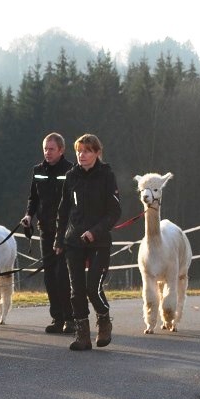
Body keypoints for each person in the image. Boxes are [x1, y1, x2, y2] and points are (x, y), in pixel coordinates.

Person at [54, 133, 121, 351]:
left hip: (99, 242)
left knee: (93, 287)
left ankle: (104, 319)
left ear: (97, 153)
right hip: (73, 241)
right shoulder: (71, 176)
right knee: (77, 290)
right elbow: (63, 210)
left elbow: (114, 212)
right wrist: (59, 239)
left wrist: (95, 232)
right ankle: (82, 335)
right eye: (79, 151)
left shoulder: (106, 175)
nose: (82, 155)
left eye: (87, 151)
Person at [21, 132, 74, 334]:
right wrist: (28, 216)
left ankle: (70, 318)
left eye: (51, 149)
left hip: (66, 231)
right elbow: (33, 198)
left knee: (63, 274)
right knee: (50, 276)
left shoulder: (71, 170)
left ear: (61, 150)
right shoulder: (38, 170)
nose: (47, 152)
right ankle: (57, 319)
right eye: (45, 148)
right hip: (45, 230)